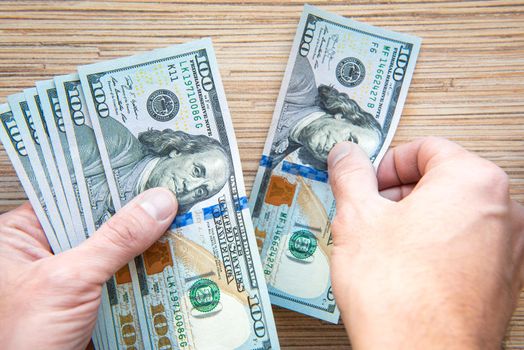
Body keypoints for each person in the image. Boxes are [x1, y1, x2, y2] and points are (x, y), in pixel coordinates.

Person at [0, 137, 523, 349]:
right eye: (199, 171)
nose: (193, 187)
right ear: (177, 147)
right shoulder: (110, 144)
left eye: (205, 187)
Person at [75, 116, 232, 225]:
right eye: (196, 172)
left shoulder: (146, 232)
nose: (189, 188)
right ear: (177, 151)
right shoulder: (115, 142)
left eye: (200, 192)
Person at [270, 56, 383, 169]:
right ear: (343, 116)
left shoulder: (273, 160)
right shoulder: (299, 83)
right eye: (350, 140)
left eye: (344, 156)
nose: (337, 150)